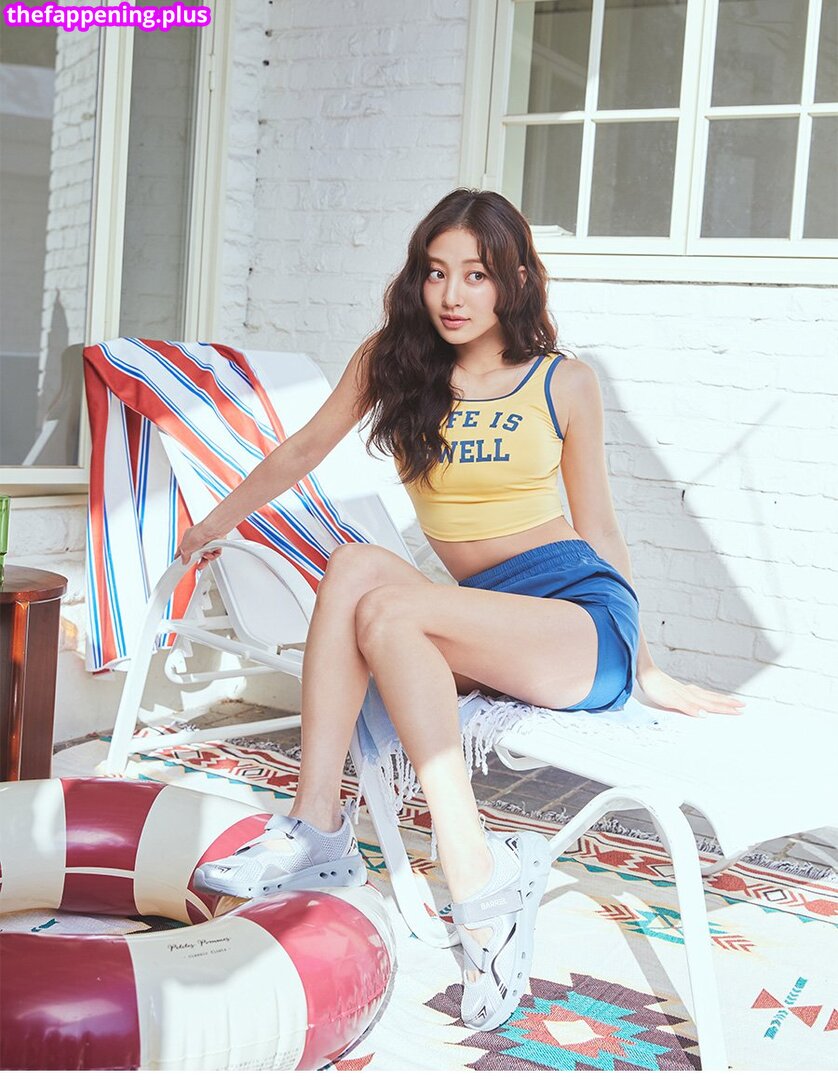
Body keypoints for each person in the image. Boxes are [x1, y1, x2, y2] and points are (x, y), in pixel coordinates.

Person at [178, 189, 744, 1031]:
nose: (452, 295)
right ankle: (318, 825)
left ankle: (471, 867)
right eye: (437, 272)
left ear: (513, 280)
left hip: (575, 616)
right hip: (478, 614)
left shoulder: (563, 381)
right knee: (355, 567)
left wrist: (648, 667)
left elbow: (599, 529)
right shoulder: (395, 364)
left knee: (393, 614)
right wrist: (211, 526)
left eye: (476, 275)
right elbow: (302, 449)